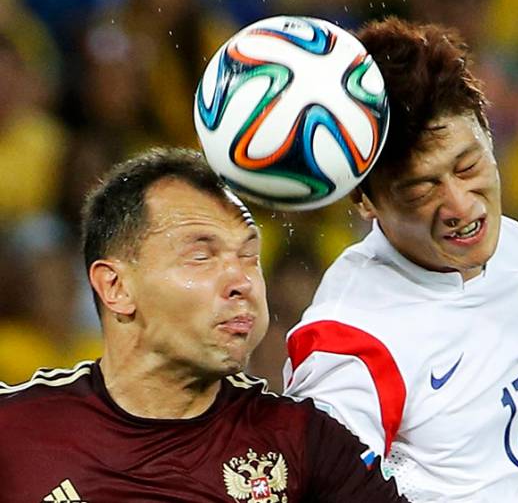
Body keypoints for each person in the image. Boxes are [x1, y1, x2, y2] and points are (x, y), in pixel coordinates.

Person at [0, 148, 406, 503]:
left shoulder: (302, 441)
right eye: (202, 257)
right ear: (116, 287)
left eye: (249, 257)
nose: (242, 283)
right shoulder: (13, 435)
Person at [283, 18, 518, 501]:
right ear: (365, 201)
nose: (462, 206)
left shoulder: (517, 250)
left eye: (467, 166)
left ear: (489, 135)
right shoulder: (351, 340)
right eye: (421, 188)